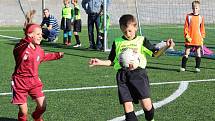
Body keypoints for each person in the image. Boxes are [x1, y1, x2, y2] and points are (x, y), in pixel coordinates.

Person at [89, 14, 174, 121]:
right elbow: (111, 61)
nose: (128, 34)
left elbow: (155, 54)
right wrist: (99, 62)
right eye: (125, 31)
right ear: (121, 29)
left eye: (130, 30)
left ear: (135, 27)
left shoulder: (141, 40)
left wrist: (166, 47)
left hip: (139, 75)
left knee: (147, 106)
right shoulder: (117, 42)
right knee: (128, 108)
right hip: (122, 76)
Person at [11, 23, 64, 121]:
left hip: (34, 81)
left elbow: (43, 56)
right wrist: (27, 34)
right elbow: (22, 43)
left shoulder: (39, 49)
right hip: (20, 82)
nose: (41, 36)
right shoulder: (20, 48)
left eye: (41, 34)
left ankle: (36, 116)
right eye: (38, 34)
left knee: (42, 106)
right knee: (24, 111)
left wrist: (57, 55)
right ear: (30, 35)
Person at [180, 0, 205, 72]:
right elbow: (186, 27)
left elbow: (202, 28)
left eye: (196, 8)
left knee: (198, 52)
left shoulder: (201, 17)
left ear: (199, 8)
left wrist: (202, 37)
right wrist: (186, 35)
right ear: (192, 8)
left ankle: (197, 67)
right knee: (186, 52)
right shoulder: (188, 16)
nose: (195, 9)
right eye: (193, 8)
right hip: (190, 38)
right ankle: (183, 67)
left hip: (197, 38)